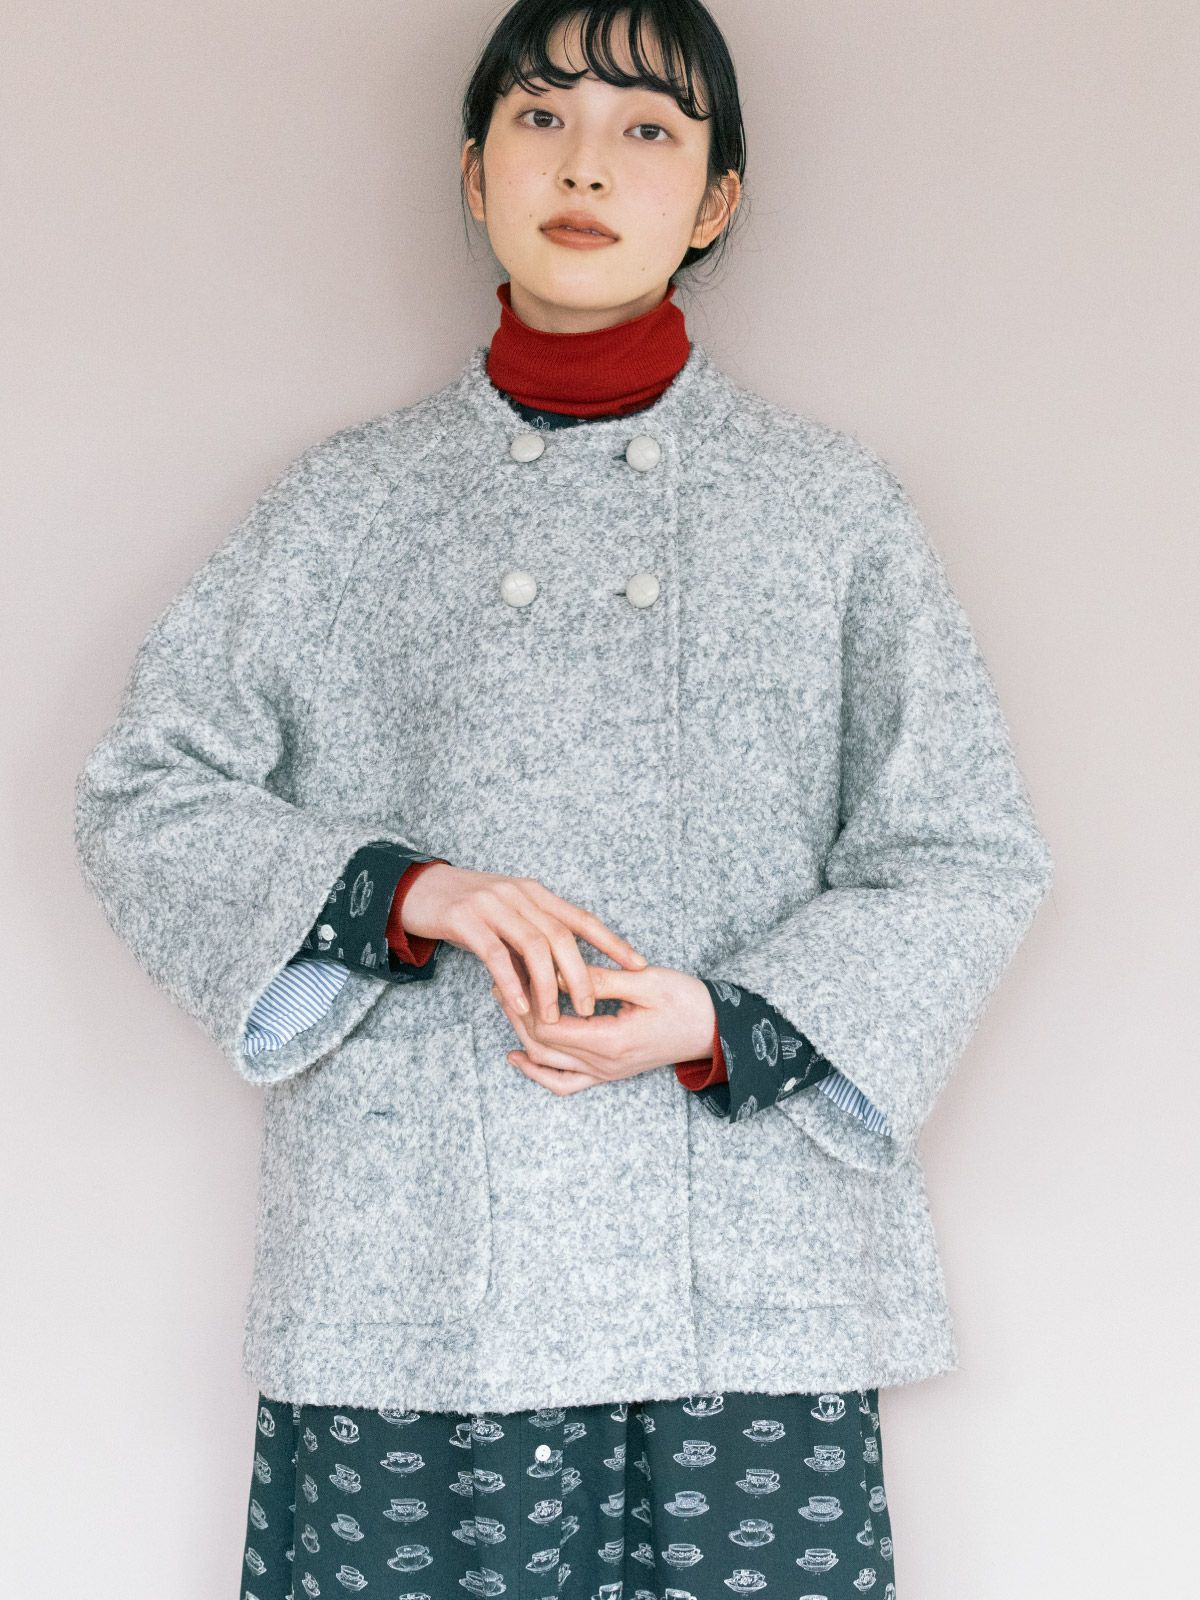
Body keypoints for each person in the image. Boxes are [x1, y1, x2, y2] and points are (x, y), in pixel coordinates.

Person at [72, 4, 1054, 1597]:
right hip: (418, 1270)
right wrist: (405, 894)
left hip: (746, 1280)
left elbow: (964, 854)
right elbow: (143, 793)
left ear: (716, 199)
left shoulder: (829, 510)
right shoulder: (345, 505)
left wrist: (726, 1021)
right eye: (541, 118)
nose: (586, 165)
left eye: (648, 129)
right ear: (475, 174)